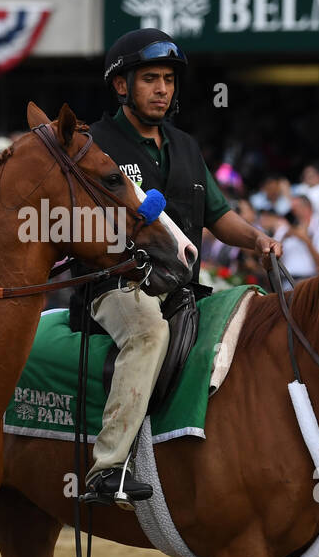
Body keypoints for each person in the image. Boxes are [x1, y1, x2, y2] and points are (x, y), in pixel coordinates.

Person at [74, 28, 282, 504]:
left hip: (184, 287)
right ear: (121, 85)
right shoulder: (93, 144)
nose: (163, 89)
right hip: (116, 287)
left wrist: (258, 239)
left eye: (168, 79)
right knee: (149, 333)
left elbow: (218, 215)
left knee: (254, 322)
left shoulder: (186, 146)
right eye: (150, 78)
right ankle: (108, 468)